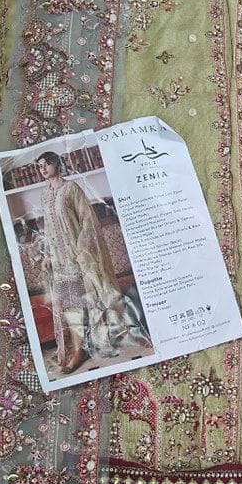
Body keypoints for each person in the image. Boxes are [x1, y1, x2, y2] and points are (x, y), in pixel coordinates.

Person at [36, 151, 151, 374]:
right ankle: (79, 352)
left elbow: (88, 221)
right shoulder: (45, 194)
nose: (42, 169)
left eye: (46, 164)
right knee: (72, 306)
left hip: (81, 257)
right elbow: (48, 228)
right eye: (39, 166)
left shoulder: (71, 189)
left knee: (100, 296)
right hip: (61, 262)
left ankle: (123, 335)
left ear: (56, 164)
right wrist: (47, 255)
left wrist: (82, 250)